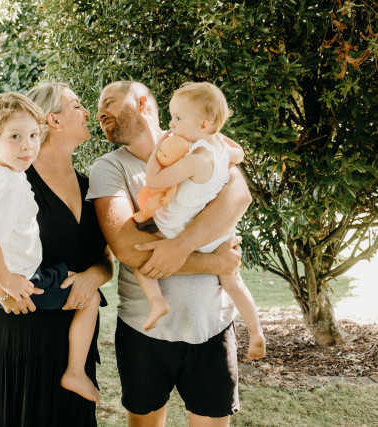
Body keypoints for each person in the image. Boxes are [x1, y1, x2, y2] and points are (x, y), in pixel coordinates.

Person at [0, 83, 113, 426]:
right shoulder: (11, 176)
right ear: (53, 120)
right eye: (77, 105)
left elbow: (106, 260)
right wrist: (1, 287)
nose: (88, 113)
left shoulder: (90, 187)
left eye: (30, 135)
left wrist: (93, 277)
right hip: (11, 340)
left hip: (68, 350)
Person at [87, 80, 251, 427]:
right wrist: (213, 261)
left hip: (212, 324)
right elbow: (129, 249)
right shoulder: (110, 168)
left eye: (109, 102)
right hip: (144, 331)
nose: (99, 113)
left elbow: (239, 195)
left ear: (143, 103)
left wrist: (180, 244)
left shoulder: (202, 142)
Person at [131, 81, 266, 360]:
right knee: (233, 283)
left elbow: (155, 180)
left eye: (178, 118)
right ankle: (256, 332)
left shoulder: (197, 160)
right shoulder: (220, 149)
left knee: (140, 260)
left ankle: (157, 302)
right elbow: (239, 153)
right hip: (214, 234)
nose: (171, 124)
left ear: (203, 125)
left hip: (176, 227)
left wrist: (157, 150)